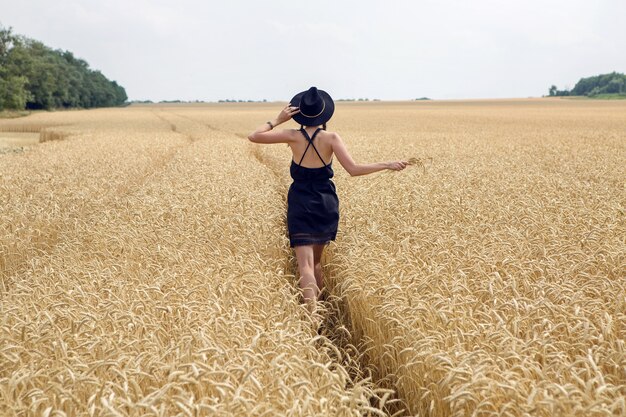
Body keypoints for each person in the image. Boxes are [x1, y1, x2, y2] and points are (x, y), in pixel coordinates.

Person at [248, 87, 407, 311]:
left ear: (299, 113)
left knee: (304, 265)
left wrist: (277, 119)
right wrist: (387, 164)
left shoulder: (292, 136)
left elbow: (254, 136)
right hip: (325, 202)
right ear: (324, 114)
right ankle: (320, 314)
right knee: (317, 262)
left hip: (300, 202)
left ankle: (312, 318)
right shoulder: (331, 138)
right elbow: (354, 169)